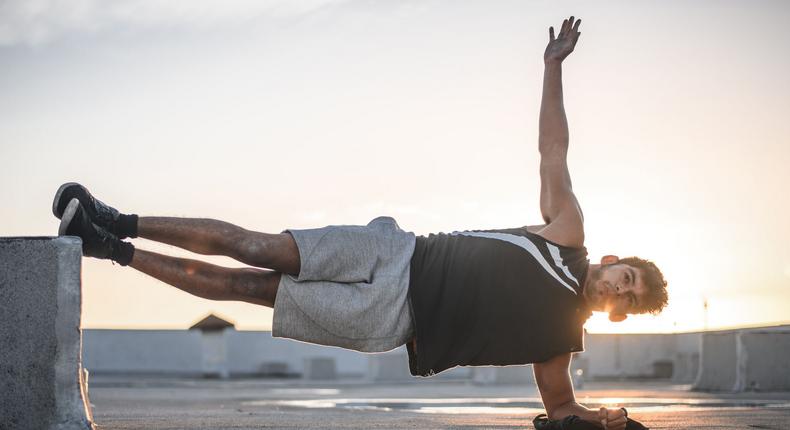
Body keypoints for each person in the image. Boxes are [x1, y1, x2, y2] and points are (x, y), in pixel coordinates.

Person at [54, 16, 667, 430]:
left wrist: (598, 418)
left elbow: (559, 408)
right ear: (616, 260)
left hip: (393, 319)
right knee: (255, 245)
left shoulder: (561, 341)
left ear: (618, 314)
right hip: (396, 253)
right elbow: (552, 151)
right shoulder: (567, 235)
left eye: (628, 299)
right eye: (629, 276)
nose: (620, 289)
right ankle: (117, 217)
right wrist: (553, 66)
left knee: (246, 289)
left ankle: (106, 246)